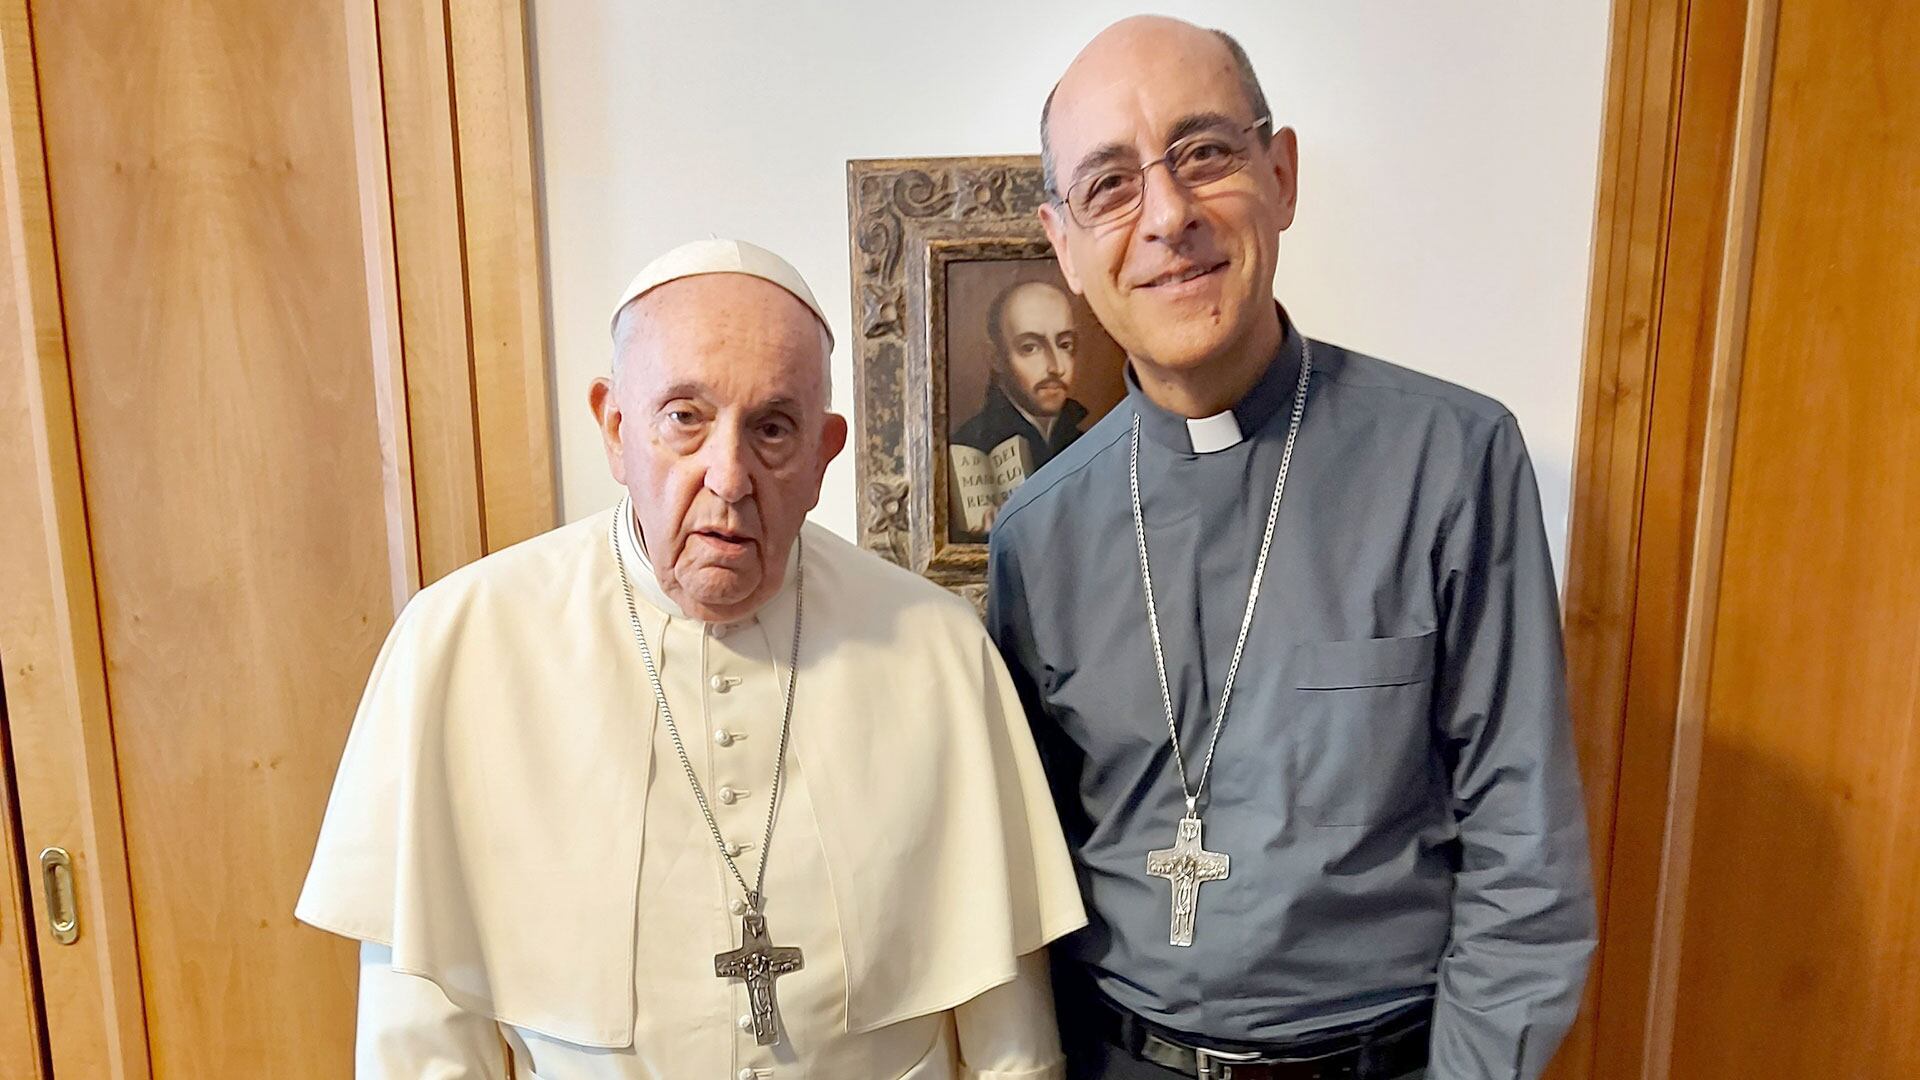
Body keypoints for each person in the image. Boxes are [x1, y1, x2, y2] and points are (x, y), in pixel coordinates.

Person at [300, 238, 1087, 1078]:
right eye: (685, 416)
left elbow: (1011, 1035)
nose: (729, 475)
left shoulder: (936, 648)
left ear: (824, 453)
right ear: (614, 427)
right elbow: (419, 1044)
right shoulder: (458, 644)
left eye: (773, 428)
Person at [986, 17, 1595, 1080]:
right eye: (1112, 186)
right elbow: (1022, 883)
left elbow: (1527, 859)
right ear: (1066, 246)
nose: (1168, 215)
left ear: (1282, 174)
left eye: (1205, 155)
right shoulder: (1038, 535)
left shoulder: (1452, 461)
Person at [953, 278, 1091, 470]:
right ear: (996, 358)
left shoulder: (1087, 445)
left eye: (1065, 345)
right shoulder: (970, 449)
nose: (1056, 367)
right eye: (1030, 348)